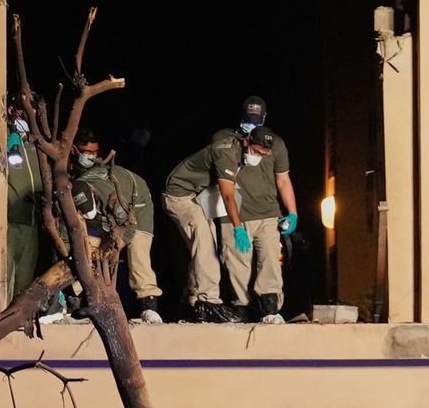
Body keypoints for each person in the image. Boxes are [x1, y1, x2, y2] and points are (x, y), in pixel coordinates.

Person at [213, 96, 298, 323]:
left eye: (255, 120)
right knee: (236, 261)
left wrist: (292, 213)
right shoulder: (228, 142)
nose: (251, 124)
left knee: (270, 257)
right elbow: (225, 190)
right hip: (234, 214)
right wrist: (236, 226)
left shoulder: (275, 144)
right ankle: (241, 307)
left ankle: (270, 304)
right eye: (248, 119)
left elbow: (283, 181)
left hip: (268, 213)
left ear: (264, 118)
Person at [73, 127, 162, 323]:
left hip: (137, 203)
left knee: (138, 250)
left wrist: (115, 245)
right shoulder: (78, 182)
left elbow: (127, 228)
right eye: (84, 152)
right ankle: (77, 300)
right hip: (107, 215)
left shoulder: (109, 195)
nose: (88, 156)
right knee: (87, 248)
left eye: (92, 153)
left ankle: (149, 303)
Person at [161, 126, 244, 322]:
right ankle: (209, 301)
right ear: (247, 143)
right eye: (258, 152)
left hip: (193, 197)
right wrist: (238, 227)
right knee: (205, 245)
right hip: (178, 197)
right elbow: (227, 195)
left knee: (204, 247)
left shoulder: (237, 150)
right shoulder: (225, 153)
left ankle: (191, 299)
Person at [2, 97, 46, 296]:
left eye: (32, 114)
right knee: (6, 280)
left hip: (32, 222)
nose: (28, 118)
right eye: (23, 113)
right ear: (12, 110)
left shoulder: (36, 144)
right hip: (11, 221)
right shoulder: (6, 139)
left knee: (24, 281)